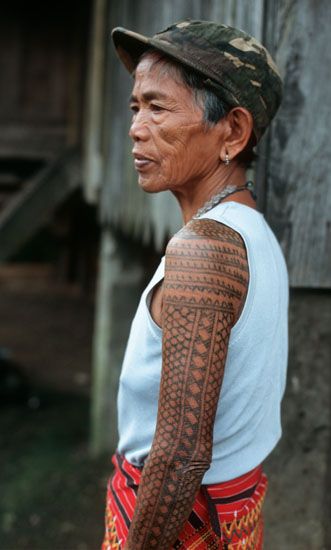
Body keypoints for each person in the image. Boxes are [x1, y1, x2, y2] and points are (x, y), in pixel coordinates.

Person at [102, 19, 288, 550]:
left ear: (232, 131)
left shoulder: (205, 251)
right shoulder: (252, 233)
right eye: (136, 107)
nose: (137, 127)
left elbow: (180, 456)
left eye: (158, 108)